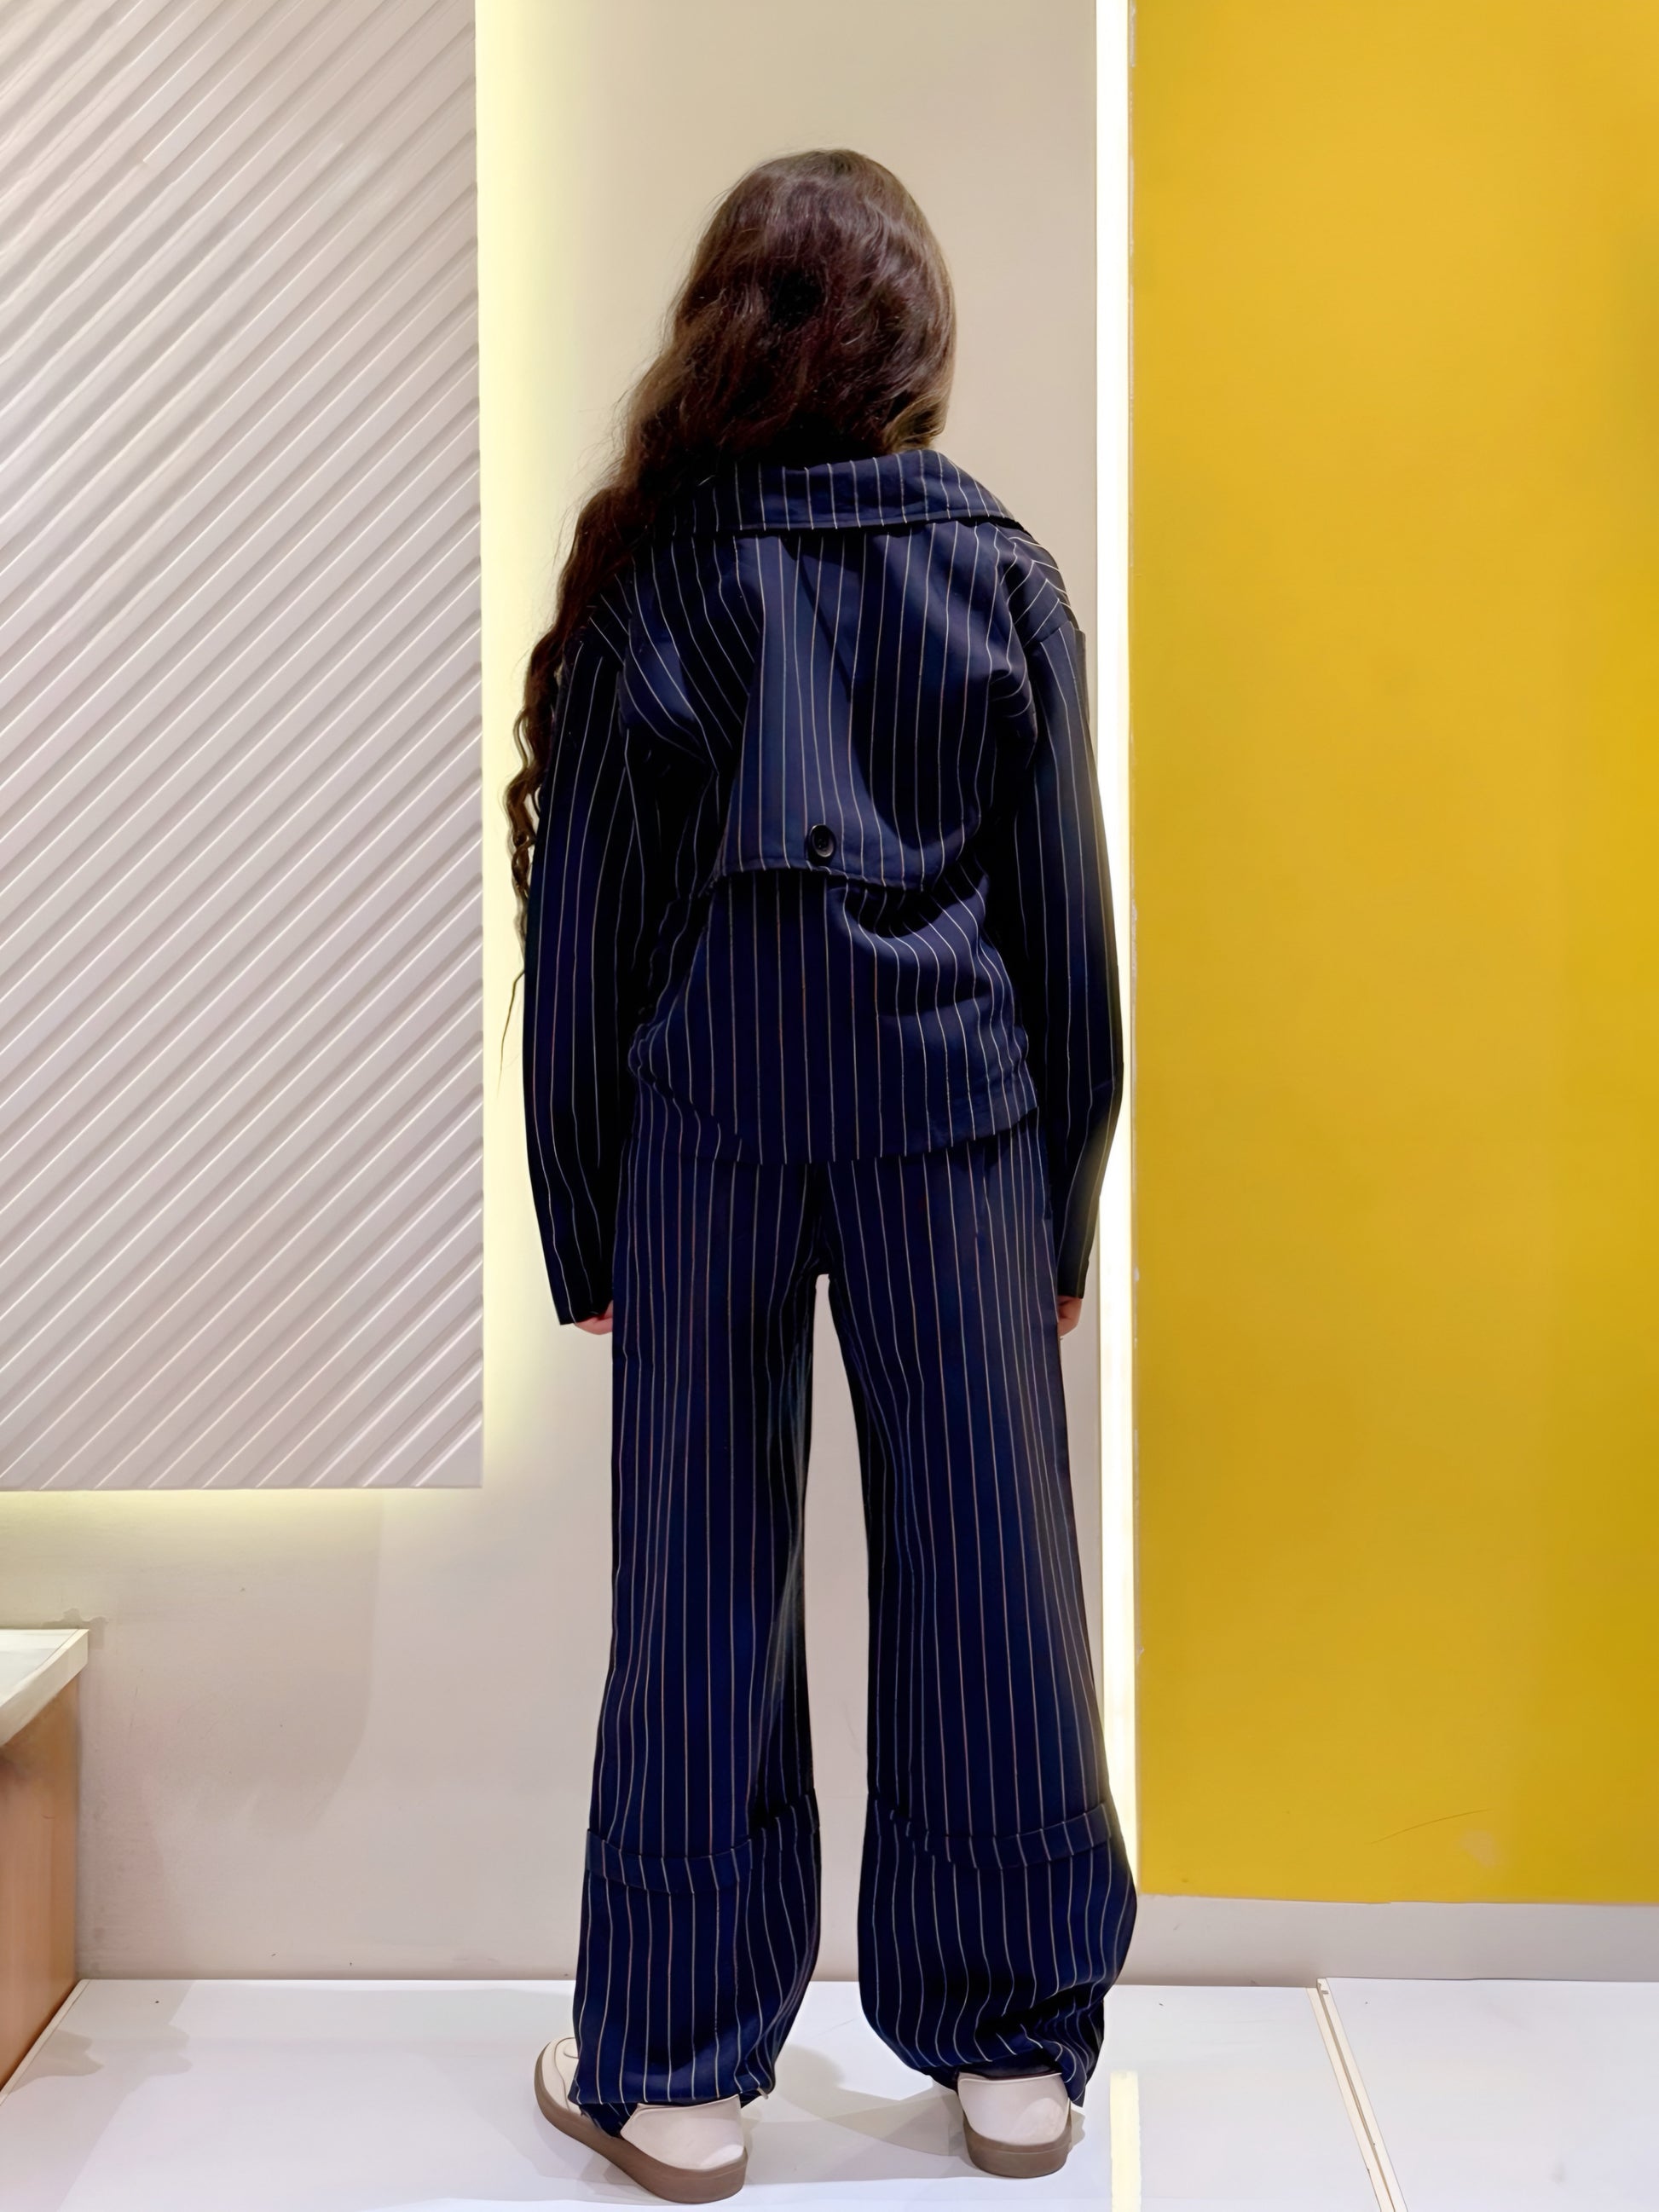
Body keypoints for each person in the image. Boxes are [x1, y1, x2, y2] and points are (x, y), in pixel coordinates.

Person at [508, 148, 1135, 2203]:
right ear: (911, 337)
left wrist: (583, 1212)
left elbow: (585, 931)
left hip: (706, 1128)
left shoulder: (662, 573)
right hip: (955, 1125)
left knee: (697, 1582)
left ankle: (680, 2072)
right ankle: (1015, 2053)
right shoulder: (997, 568)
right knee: (992, 1577)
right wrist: (1058, 1204)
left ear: (727, 325)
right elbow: (1063, 930)